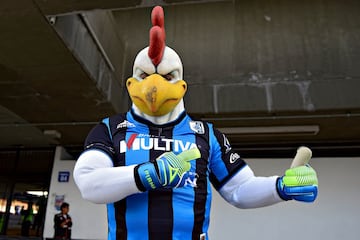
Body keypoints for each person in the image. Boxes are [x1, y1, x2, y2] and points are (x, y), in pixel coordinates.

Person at [73, 6, 318, 240]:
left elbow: (239, 189)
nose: (154, 84)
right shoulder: (109, 129)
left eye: (168, 76)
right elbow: (88, 183)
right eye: (144, 76)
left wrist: (281, 187)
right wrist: (146, 175)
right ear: (130, 84)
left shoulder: (207, 135)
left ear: (182, 87)